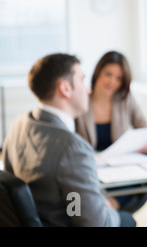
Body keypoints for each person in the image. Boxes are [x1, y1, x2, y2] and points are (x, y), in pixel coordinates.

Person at [2, 53, 135, 227]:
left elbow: (75, 203)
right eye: (82, 80)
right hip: (63, 221)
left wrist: (93, 205)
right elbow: (94, 223)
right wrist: (107, 208)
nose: (88, 89)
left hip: (40, 216)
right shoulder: (72, 147)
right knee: (127, 220)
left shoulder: (19, 123)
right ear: (65, 89)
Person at [75, 51, 147, 213]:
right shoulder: (82, 99)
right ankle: (113, 213)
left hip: (118, 164)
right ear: (98, 73)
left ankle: (112, 207)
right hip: (91, 166)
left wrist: (144, 144)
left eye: (119, 78)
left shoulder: (125, 99)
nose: (112, 82)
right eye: (108, 74)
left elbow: (145, 129)